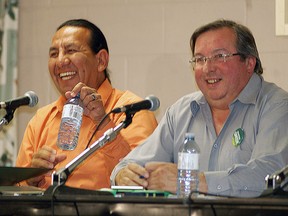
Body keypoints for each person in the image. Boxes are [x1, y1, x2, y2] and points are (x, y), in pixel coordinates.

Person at [111, 19, 288, 198]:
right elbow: (130, 165)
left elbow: (270, 175)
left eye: (220, 56)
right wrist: (123, 175)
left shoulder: (277, 106)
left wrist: (194, 182)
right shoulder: (181, 112)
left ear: (249, 63)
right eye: (200, 59)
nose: (208, 68)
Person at [16, 19, 158, 190]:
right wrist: (31, 177)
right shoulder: (41, 119)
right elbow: (16, 190)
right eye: (54, 54)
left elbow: (142, 181)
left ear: (101, 61)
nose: (60, 61)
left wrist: (103, 123)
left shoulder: (132, 111)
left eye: (71, 50)